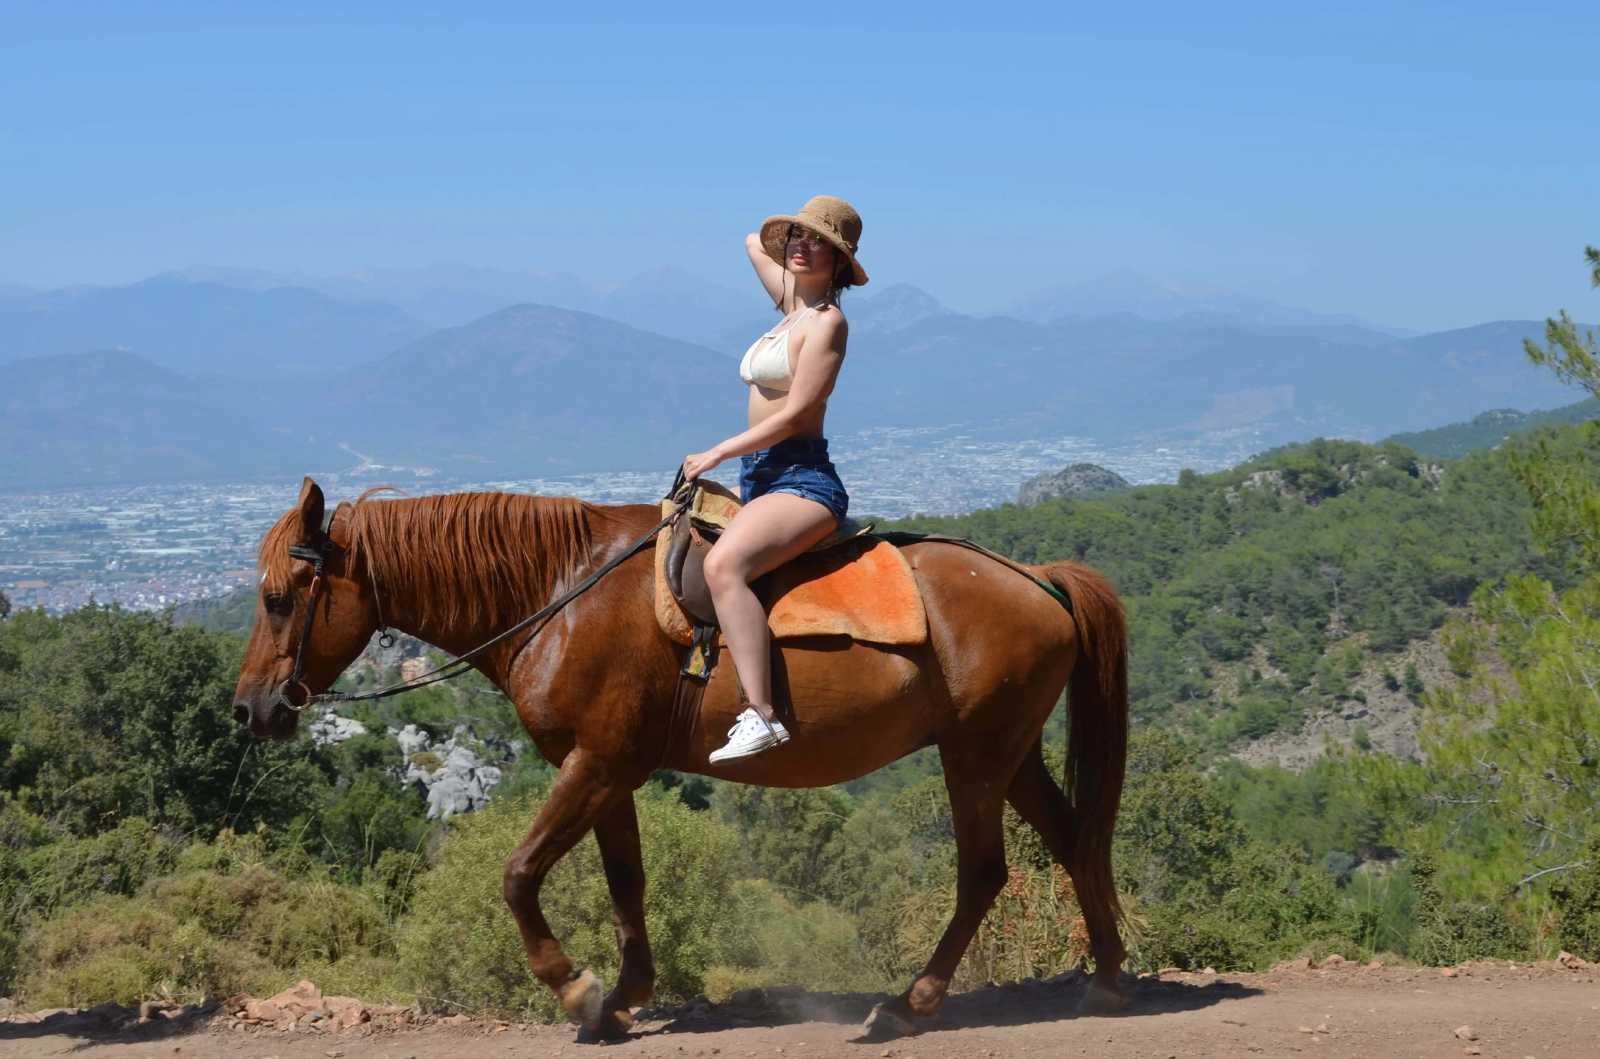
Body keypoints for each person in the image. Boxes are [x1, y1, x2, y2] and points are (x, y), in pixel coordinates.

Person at [680, 195, 868, 763]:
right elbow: (749, 242)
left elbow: (794, 415)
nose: (802, 246)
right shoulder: (790, 305)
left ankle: (762, 714)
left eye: (818, 242)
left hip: (802, 479)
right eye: (796, 239)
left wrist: (717, 451)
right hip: (760, 478)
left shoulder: (829, 324)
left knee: (723, 566)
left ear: (839, 262)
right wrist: (788, 234)